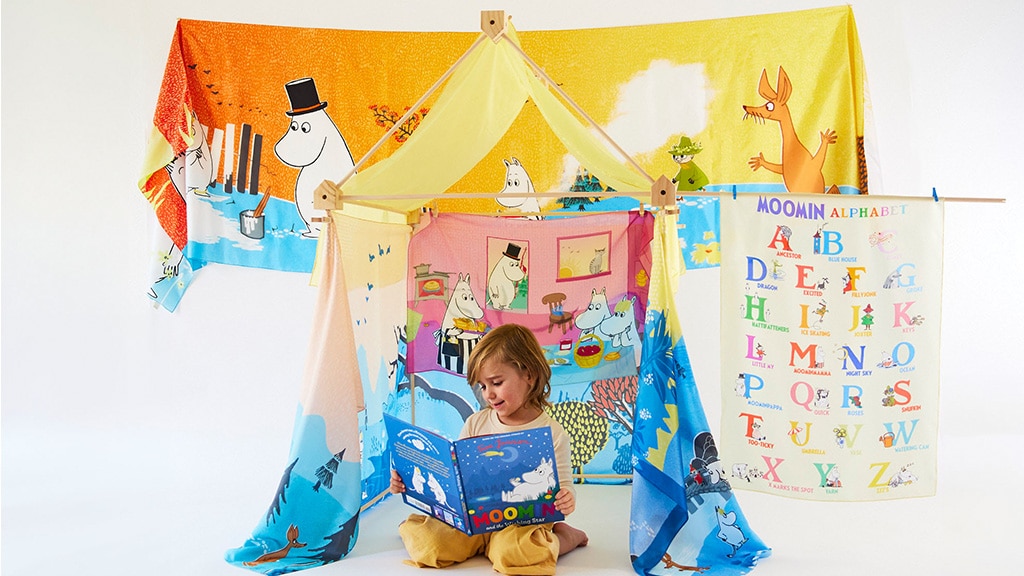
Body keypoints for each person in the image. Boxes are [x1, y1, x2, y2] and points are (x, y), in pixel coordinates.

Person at [390, 323, 589, 574]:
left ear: (529, 375)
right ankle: (472, 541)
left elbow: (564, 485)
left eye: (496, 383)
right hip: (475, 522)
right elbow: (455, 475)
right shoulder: (476, 423)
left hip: (521, 525)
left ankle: (564, 538)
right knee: (431, 545)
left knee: (513, 553)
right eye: (483, 386)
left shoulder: (552, 432)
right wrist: (406, 482)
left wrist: (566, 498)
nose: (488, 395)